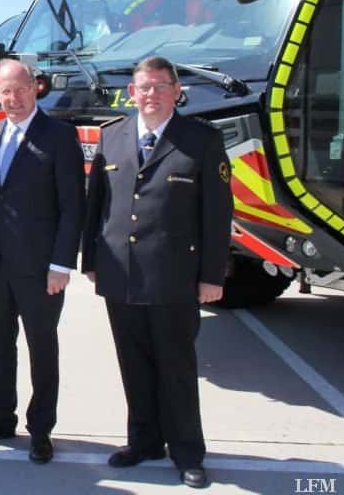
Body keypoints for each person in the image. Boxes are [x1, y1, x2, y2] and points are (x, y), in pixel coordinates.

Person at [81, 56, 232, 489]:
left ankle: (187, 453)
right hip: (120, 274)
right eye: (143, 87)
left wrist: (212, 277)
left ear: (176, 90)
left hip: (174, 277)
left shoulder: (201, 140)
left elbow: (217, 214)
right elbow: (98, 205)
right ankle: (144, 441)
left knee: (177, 368)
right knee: (133, 364)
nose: (150, 94)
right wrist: (90, 260)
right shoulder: (112, 137)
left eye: (160, 87)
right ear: (132, 92)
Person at [0, 59, 84, 464]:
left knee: (41, 347)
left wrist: (61, 265)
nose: (12, 98)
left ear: (36, 88)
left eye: (20, 89)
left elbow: (72, 207)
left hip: (41, 269)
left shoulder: (60, 137)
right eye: (5, 91)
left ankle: (41, 429)